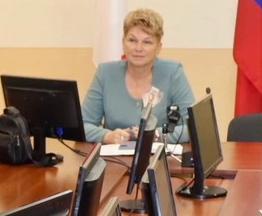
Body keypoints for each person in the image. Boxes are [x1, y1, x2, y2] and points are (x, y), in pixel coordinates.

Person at [82, 8, 195, 144]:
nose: (138, 48)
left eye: (147, 42)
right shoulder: (105, 73)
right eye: (132, 40)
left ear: (158, 47)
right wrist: (107, 136)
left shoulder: (172, 72)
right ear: (123, 43)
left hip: (157, 155)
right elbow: (83, 124)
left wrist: (155, 135)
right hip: (114, 156)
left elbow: (192, 127)